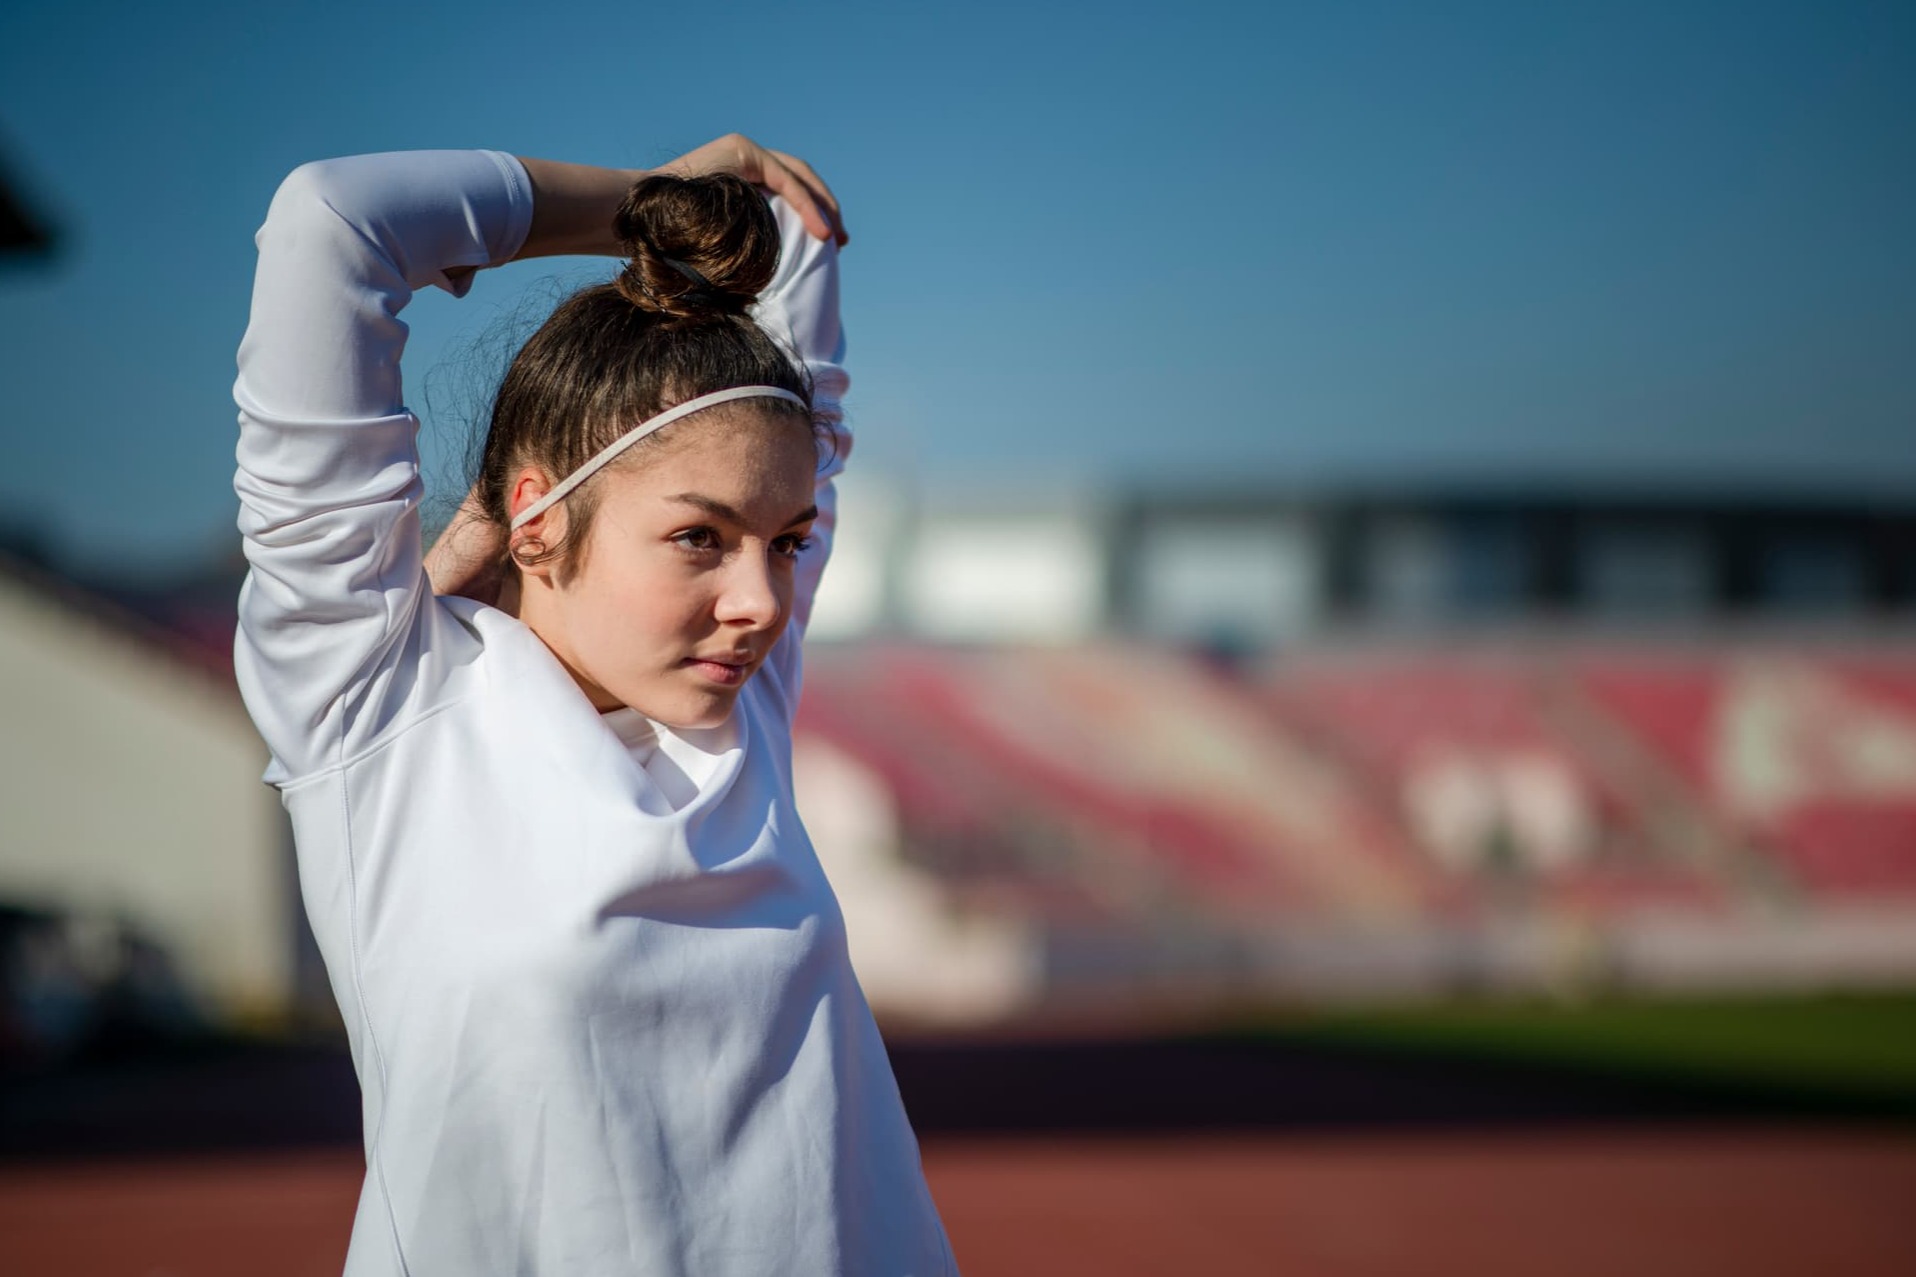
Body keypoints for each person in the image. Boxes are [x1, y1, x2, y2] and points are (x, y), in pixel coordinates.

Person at [232, 134, 959, 1276]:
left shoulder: (739, 711)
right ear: (534, 514)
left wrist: (723, 245)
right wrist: (647, 208)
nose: (760, 602)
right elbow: (333, 220)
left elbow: (795, 274)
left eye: (788, 543)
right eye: (697, 538)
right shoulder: (374, 706)